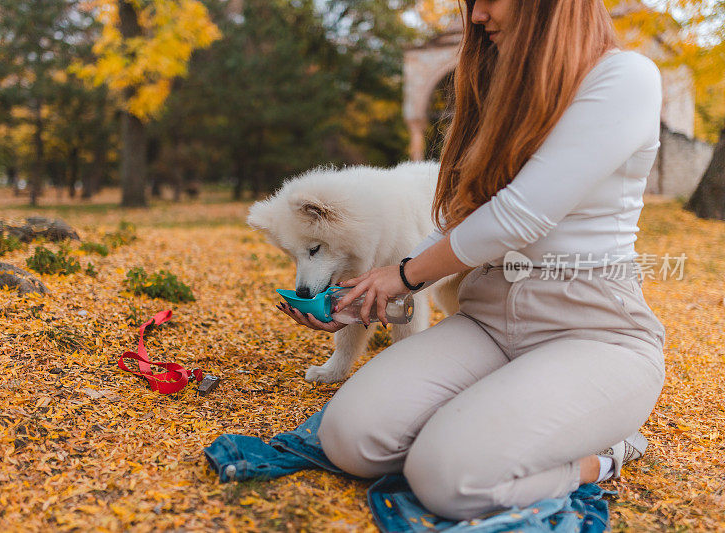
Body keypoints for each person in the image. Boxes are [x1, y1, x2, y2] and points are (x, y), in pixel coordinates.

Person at [276, 0, 667, 521]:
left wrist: (403, 276)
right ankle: (486, 424)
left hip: (593, 330)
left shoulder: (626, 77)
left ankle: (604, 456)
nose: (476, 15)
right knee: (351, 439)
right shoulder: (504, 94)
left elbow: (518, 217)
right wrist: (370, 297)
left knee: (448, 479)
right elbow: (465, 222)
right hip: (489, 319)